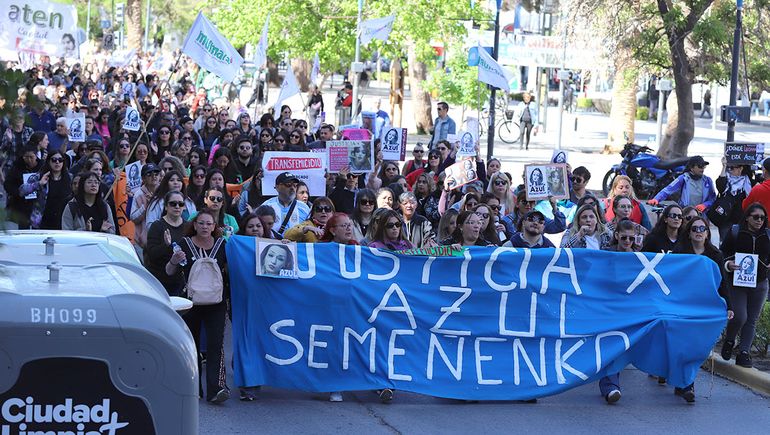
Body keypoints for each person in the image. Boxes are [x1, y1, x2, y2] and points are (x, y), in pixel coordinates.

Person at [166, 209, 230, 404]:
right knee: (191, 345)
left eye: (209, 224)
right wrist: (173, 261)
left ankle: (216, 389)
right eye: (201, 223)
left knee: (216, 344)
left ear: (214, 227)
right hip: (190, 302)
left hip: (216, 302)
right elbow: (169, 272)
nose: (204, 227)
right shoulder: (184, 244)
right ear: (194, 225)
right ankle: (193, 388)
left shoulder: (223, 246)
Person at [671, 216, 729, 403]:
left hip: (705, 307)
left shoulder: (715, 255)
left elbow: (722, 284)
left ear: (707, 233)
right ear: (688, 233)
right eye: (694, 228)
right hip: (682, 305)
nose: (698, 231)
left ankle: (686, 382)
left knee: (696, 346)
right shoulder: (679, 254)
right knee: (683, 344)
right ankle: (686, 383)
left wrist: (729, 305)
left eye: (702, 228)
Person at [596, 218, 640, 404]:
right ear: (616, 236)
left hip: (633, 310)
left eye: (631, 239)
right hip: (609, 309)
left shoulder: (641, 258)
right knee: (612, 345)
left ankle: (679, 381)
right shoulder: (605, 255)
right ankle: (610, 387)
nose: (628, 242)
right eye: (624, 238)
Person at [720, 203, 768, 368]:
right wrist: (728, 265)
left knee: (751, 320)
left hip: (760, 283)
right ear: (747, 217)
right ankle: (730, 339)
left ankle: (744, 353)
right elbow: (722, 254)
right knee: (740, 316)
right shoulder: (735, 232)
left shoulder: (767, 235)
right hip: (737, 282)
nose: (759, 220)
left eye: (762, 218)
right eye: (756, 217)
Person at [145, 191, 188, 296]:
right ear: (166, 207)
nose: (177, 206)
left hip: (181, 282)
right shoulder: (157, 226)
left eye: (180, 204)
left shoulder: (188, 227)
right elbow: (151, 254)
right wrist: (166, 246)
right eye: (173, 203)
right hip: (159, 282)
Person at [18, 150, 72, 229]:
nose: (57, 162)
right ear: (49, 161)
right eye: (54, 160)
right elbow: (22, 191)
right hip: (43, 221)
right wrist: (39, 184)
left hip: (64, 221)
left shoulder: (70, 178)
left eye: (60, 160)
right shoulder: (40, 176)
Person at [650, 156, 716, 211]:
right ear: (691, 168)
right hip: (685, 213)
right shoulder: (683, 178)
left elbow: (713, 199)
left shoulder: (708, 181)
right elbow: (667, 190)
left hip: (702, 216)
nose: (702, 169)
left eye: (704, 166)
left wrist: (705, 205)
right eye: (700, 166)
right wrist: (656, 199)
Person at [4, 145, 43, 228]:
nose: (29, 160)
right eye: (26, 157)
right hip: (22, 204)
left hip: (38, 203)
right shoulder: (17, 167)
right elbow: (8, 184)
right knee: (23, 228)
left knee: (38, 228)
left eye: (31, 157)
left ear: (36, 156)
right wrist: (18, 192)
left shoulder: (43, 167)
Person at [501, 191, 566, 241]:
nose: (528, 205)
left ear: (535, 204)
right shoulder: (506, 220)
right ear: (517, 204)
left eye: (531, 202)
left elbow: (560, 227)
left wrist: (554, 207)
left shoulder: (541, 218)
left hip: (535, 253)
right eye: (524, 202)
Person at [261, 172, 311, 236]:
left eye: (295, 185)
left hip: (297, 244)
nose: (292, 188)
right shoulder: (267, 205)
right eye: (288, 184)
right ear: (277, 187)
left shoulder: (304, 208)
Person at [712, 160, 752, 239]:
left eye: (732, 168)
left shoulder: (748, 182)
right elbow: (720, 186)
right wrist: (724, 166)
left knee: (739, 244)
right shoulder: (726, 179)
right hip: (725, 219)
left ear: (740, 169)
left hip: (741, 219)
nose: (729, 170)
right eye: (728, 168)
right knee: (724, 244)